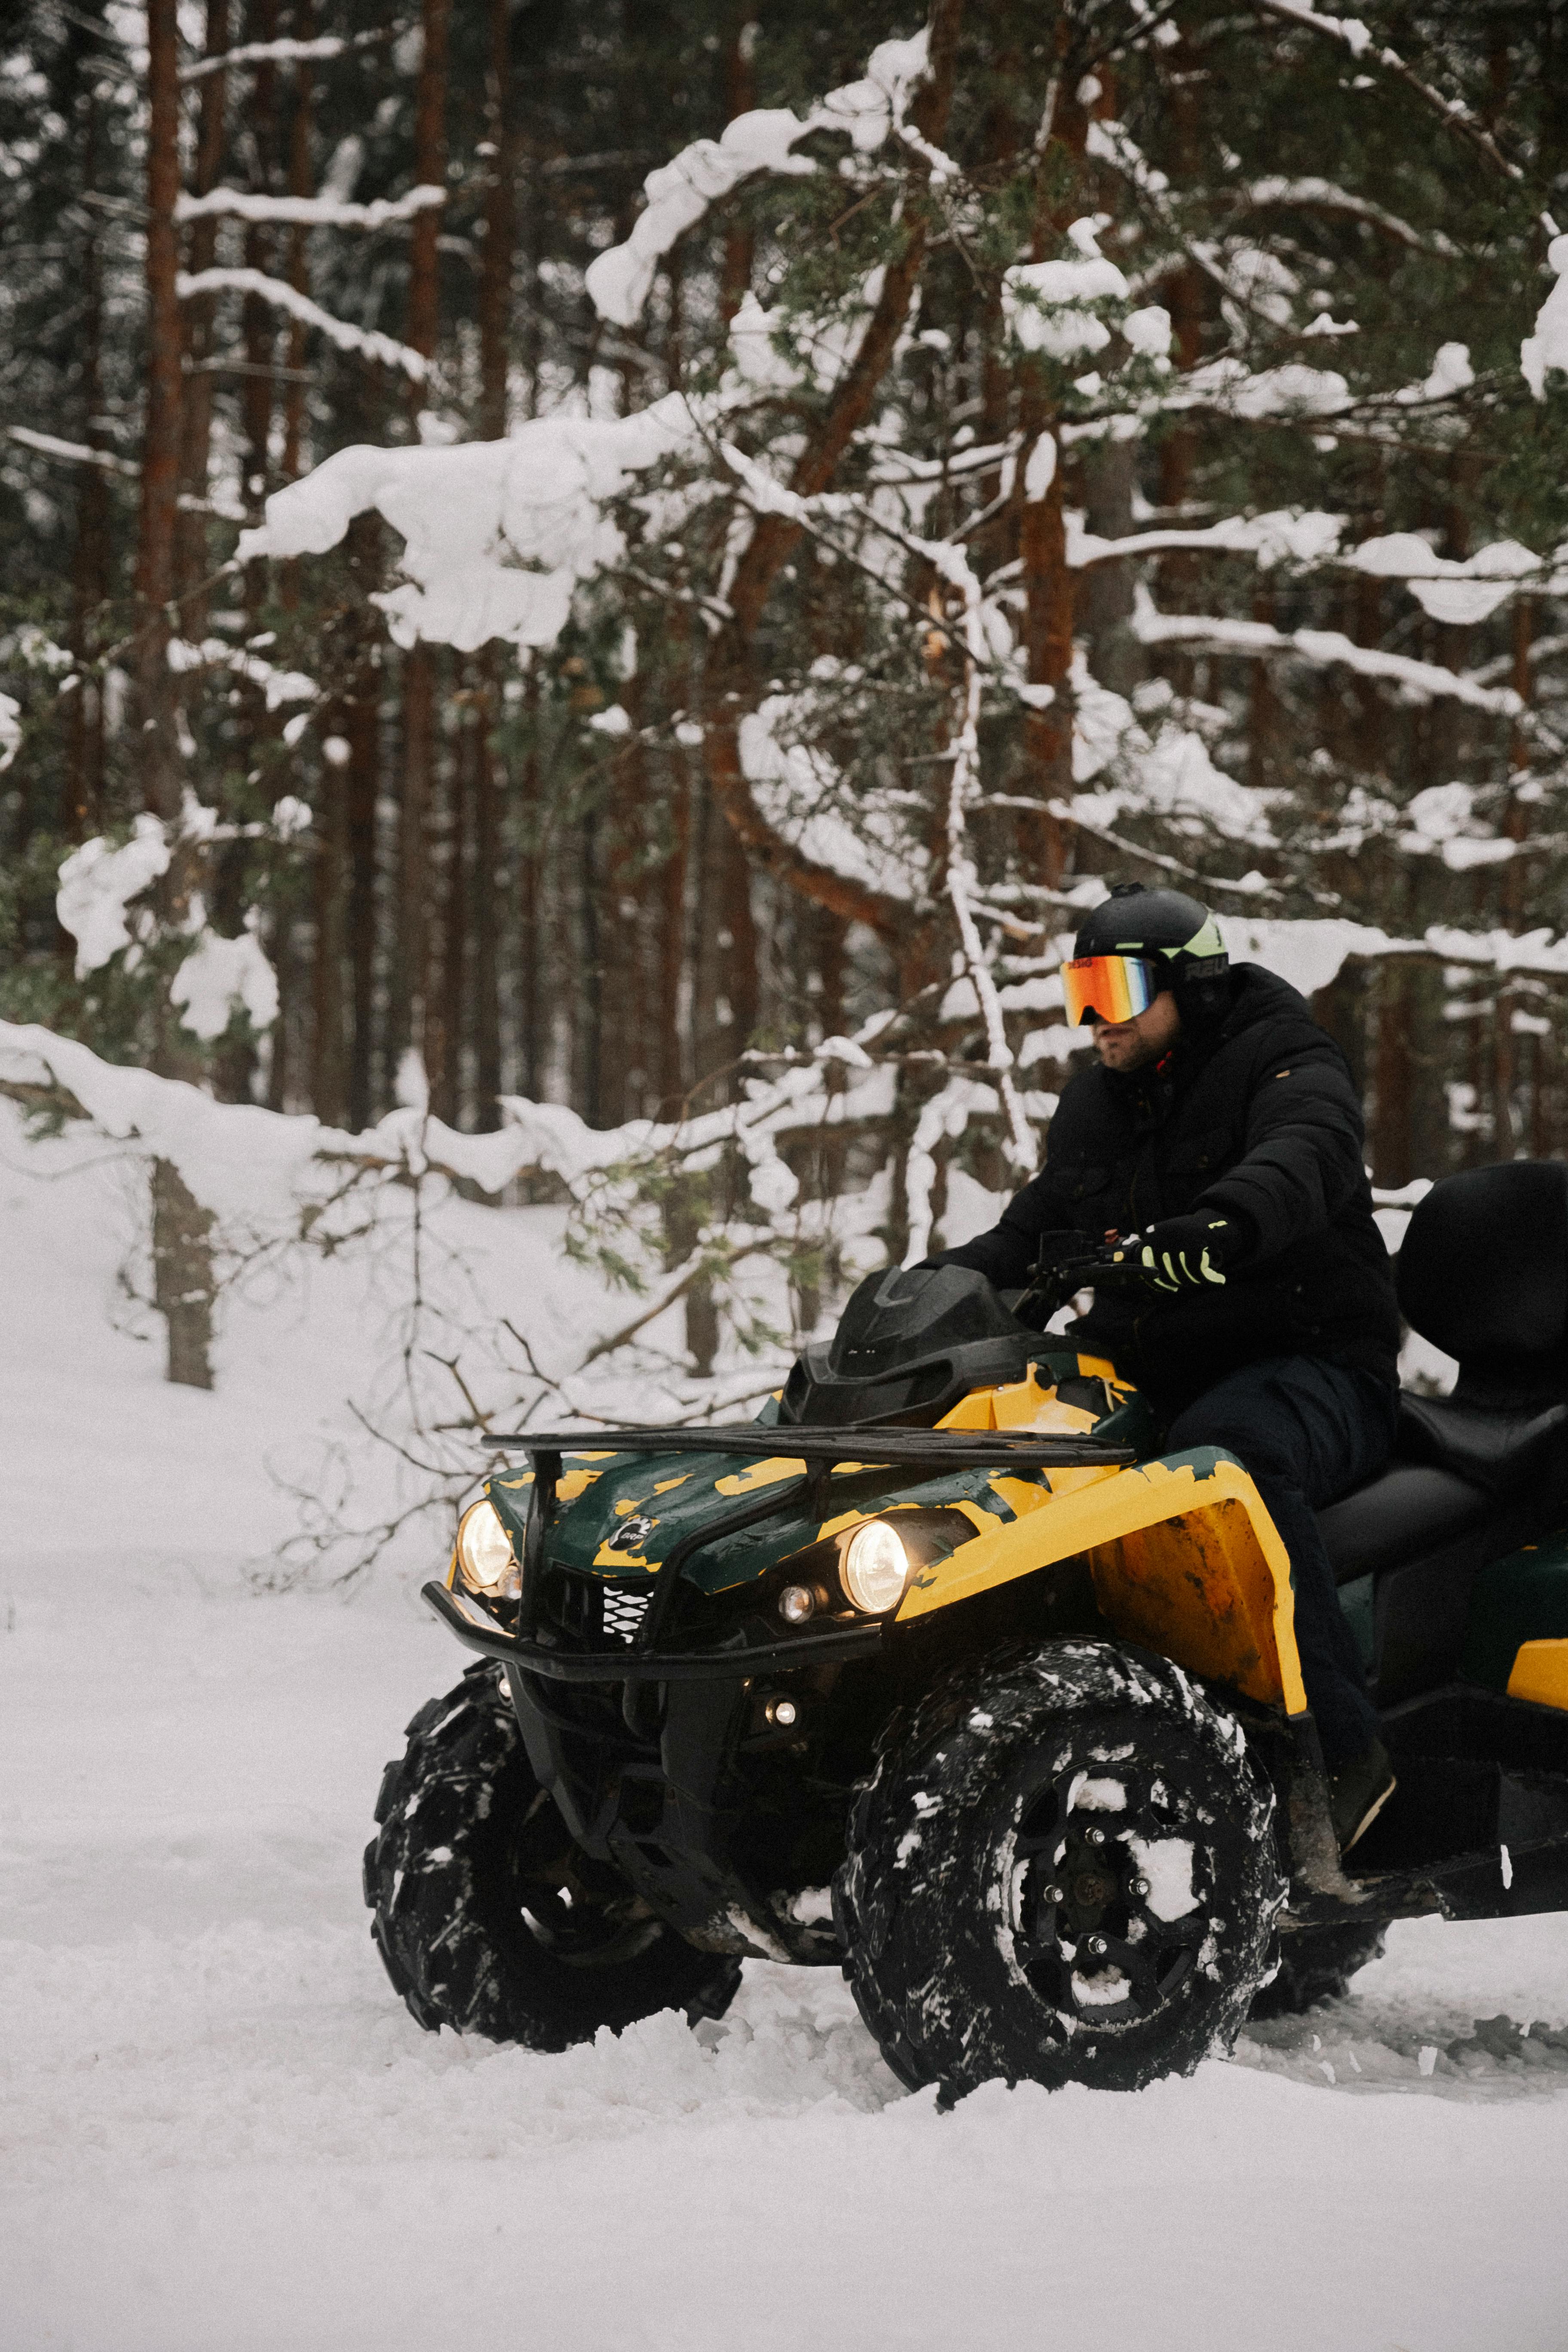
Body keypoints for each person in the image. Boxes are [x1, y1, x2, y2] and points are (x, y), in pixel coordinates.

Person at [927, 882, 1402, 1854]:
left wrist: (1227, 1223)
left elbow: (1303, 1156)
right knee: (1023, 1440)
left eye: (1119, 990)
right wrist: (931, 1291)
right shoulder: (1102, 1102)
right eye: (1082, 993)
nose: (1097, 1020)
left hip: (1314, 1364)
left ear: (1198, 987)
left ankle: (1338, 1761)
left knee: (1226, 1456)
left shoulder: (1285, 1059)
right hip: (1159, 1370)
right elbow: (1033, 1229)